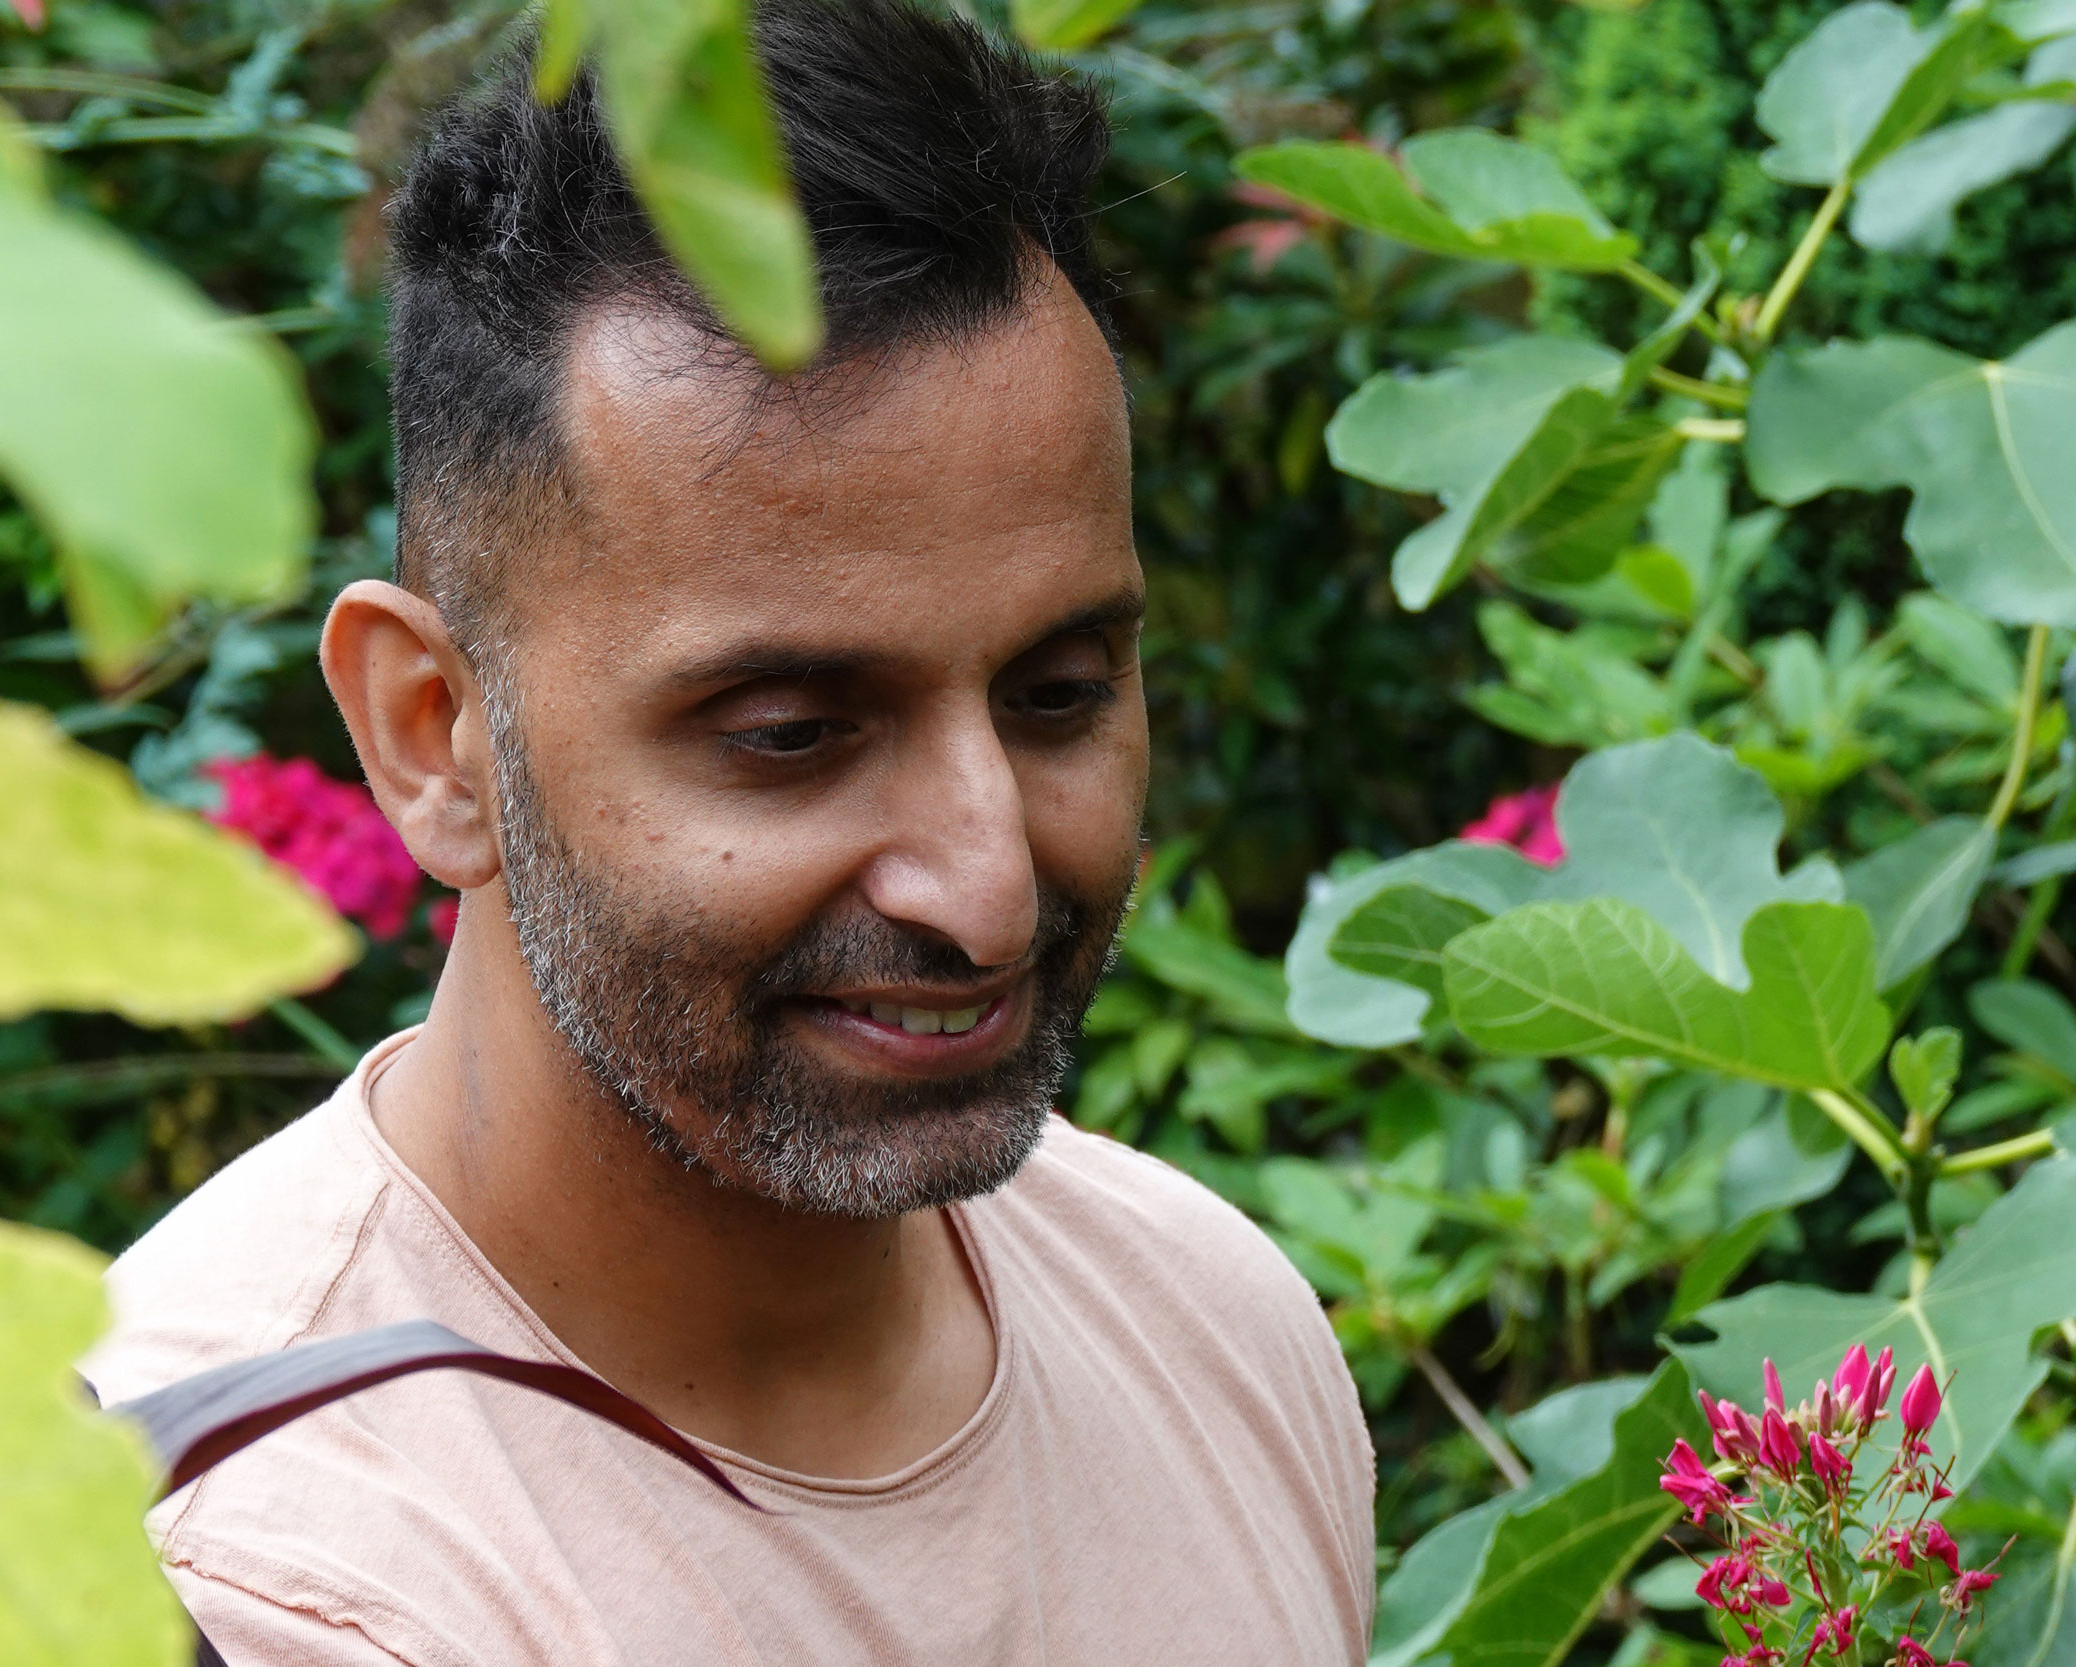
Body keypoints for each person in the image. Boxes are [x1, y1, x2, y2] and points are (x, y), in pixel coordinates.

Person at [83, 3, 1376, 1661]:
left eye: (1058, 693)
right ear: (434, 735)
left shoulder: (1208, 1316)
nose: (984, 893)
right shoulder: (223, 1569)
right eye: (791, 736)